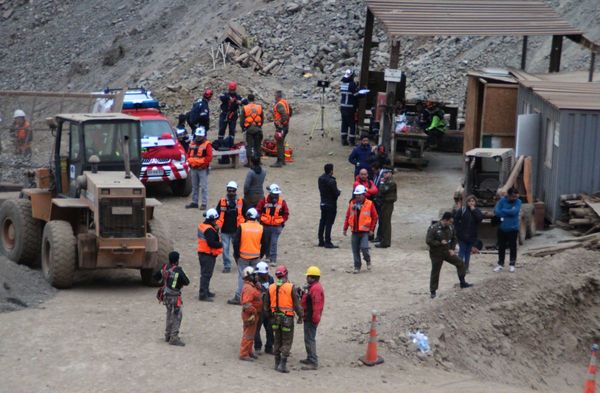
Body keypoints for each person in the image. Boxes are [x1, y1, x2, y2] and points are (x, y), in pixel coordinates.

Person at [264, 265, 304, 373]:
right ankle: (282, 364)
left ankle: (277, 363)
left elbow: (266, 305)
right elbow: (297, 305)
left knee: (277, 339)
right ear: (286, 274)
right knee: (287, 341)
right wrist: (300, 316)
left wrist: (269, 316)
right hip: (287, 319)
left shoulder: (271, 287)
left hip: (275, 318)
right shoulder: (291, 287)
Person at [426, 212, 473, 299]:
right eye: (450, 221)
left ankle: (462, 282)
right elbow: (428, 241)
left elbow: (454, 238)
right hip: (436, 253)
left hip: (447, 251)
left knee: (460, 263)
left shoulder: (451, 227)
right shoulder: (434, 228)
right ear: (445, 220)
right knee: (435, 271)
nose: (451, 223)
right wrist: (439, 243)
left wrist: (452, 248)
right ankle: (433, 291)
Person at [229, 208, 266, 305]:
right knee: (255, 277)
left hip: (243, 256)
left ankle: (239, 297)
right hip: (255, 257)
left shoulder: (242, 227)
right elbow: (265, 243)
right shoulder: (260, 228)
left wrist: (236, 255)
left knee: (243, 277)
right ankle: (254, 297)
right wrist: (261, 254)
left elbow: (235, 242)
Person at [154, 251, 190, 346]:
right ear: (177, 260)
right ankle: (174, 337)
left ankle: (168, 335)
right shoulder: (178, 270)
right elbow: (186, 282)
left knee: (169, 314)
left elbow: (156, 277)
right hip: (174, 296)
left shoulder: (165, 268)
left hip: (165, 296)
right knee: (177, 315)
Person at [343, 185, 378, 274]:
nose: (357, 196)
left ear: (364, 195)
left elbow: (374, 217)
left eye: (359, 195)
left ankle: (368, 260)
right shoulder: (352, 204)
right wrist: (345, 228)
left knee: (364, 248)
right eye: (356, 195)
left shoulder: (369, 204)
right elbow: (348, 216)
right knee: (355, 250)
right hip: (354, 231)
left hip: (364, 231)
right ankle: (357, 266)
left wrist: (371, 229)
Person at [215, 181, 245, 274]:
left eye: (233, 190)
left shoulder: (241, 201)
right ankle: (227, 266)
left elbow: (246, 214)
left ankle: (240, 264)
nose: (231, 192)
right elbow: (217, 213)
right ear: (227, 190)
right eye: (229, 190)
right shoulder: (222, 201)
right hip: (225, 230)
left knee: (238, 249)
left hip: (237, 230)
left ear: (236, 191)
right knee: (225, 249)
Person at [256, 184, 289, 267]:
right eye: (274, 194)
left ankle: (273, 259)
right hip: (265, 225)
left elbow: (286, 213)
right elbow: (258, 210)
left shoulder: (282, 202)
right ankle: (267, 256)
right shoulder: (263, 201)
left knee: (273, 242)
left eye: (277, 194)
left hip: (277, 226)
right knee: (265, 242)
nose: (276, 195)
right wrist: (260, 219)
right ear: (270, 193)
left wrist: (281, 222)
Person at [299, 266, 325, 370]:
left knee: (310, 339)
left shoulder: (315, 289)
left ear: (313, 278)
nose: (307, 278)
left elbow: (317, 305)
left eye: (308, 276)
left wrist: (314, 319)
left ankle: (313, 361)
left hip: (311, 318)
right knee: (308, 338)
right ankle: (310, 358)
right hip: (308, 317)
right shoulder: (313, 287)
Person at [197, 208, 223, 301]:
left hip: (204, 253)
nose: (216, 221)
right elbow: (211, 243)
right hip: (207, 254)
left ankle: (206, 291)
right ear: (212, 219)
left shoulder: (203, 226)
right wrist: (221, 244)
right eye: (215, 220)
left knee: (206, 274)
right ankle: (203, 294)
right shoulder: (209, 230)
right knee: (206, 274)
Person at [493, 187, 522, 273]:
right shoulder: (501, 201)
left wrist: (503, 211)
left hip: (513, 228)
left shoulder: (518, 202)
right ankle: (500, 264)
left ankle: (512, 264)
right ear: (508, 195)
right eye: (513, 196)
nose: (514, 198)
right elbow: (497, 211)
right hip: (502, 228)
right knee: (501, 247)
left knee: (513, 247)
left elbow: (515, 212)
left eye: (516, 196)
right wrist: (509, 211)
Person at [453, 195, 483, 273]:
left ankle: (466, 268)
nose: (471, 203)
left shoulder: (477, 211)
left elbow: (479, 219)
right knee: (461, 252)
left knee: (468, 253)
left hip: (472, 236)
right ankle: (460, 267)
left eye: (473, 201)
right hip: (462, 235)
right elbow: (455, 220)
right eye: (469, 201)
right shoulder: (462, 210)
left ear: (475, 202)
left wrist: (474, 210)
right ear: (467, 202)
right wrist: (458, 231)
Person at [239, 266, 263, 361]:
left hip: (253, 315)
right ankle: (244, 354)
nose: (256, 276)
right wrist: (254, 311)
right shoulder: (248, 288)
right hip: (250, 315)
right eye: (254, 275)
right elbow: (246, 304)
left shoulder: (251, 286)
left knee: (251, 334)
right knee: (248, 334)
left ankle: (249, 351)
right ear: (249, 277)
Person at [185, 126, 212, 210]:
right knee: (194, 186)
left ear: (203, 136)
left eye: (200, 136)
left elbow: (209, 157)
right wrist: (189, 163)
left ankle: (204, 203)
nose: (198, 137)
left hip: (202, 169)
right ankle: (194, 202)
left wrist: (203, 165)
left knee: (204, 187)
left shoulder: (207, 144)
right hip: (193, 168)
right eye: (197, 136)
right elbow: (188, 154)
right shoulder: (192, 143)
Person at [318, 163, 341, 248]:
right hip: (331, 204)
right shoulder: (332, 181)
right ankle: (328, 241)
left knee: (322, 221)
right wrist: (339, 192)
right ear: (331, 171)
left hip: (323, 202)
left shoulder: (320, 178)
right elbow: (336, 193)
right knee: (329, 223)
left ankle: (321, 240)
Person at [254, 261, 274, 354]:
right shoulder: (254, 282)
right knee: (256, 329)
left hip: (269, 309)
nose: (266, 275)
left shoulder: (270, 279)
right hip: (259, 309)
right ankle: (258, 347)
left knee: (270, 329)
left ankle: (269, 347)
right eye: (264, 274)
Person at [375, 169, 397, 248]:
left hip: (388, 204)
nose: (384, 174)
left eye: (386, 173)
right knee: (383, 221)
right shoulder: (387, 182)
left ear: (390, 174)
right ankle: (384, 240)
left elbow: (382, 190)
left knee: (386, 223)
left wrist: (381, 182)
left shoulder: (391, 183)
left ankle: (385, 242)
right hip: (384, 203)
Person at [271, 90, 292, 168]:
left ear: (278, 96)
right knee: (281, 143)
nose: (274, 97)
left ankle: (279, 161)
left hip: (281, 127)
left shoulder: (279, 104)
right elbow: (290, 111)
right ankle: (282, 160)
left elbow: (285, 115)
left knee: (279, 144)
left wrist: (280, 122)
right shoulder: (285, 102)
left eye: (275, 96)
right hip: (285, 126)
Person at [240, 94, 264, 161]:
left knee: (249, 146)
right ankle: (258, 161)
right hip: (258, 128)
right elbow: (262, 118)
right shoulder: (259, 107)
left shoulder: (245, 107)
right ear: (254, 99)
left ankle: (249, 162)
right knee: (258, 146)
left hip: (249, 129)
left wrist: (243, 128)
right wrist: (259, 126)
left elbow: (242, 120)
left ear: (248, 100)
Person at [339, 69, 358, 146]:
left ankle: (344, 140)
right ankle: (352, 141)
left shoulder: (343, 84)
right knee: (352, 124)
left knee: (344, 123)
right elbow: (356, 95)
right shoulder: (352, 84)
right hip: (349, 107)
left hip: (342, 107)